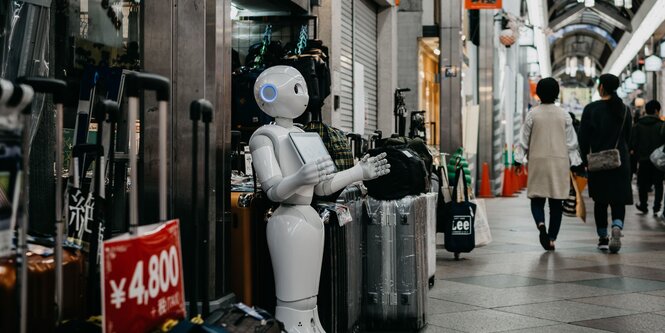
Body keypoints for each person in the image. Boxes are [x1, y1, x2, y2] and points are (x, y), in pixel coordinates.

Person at [517, 77, 582, 251]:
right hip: (559, 163)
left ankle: (540, 225)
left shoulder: (533, 114)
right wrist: (576, 164)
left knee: (537, 199)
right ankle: (552, 239)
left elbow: (523, 140)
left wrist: (518, 159)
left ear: (538, 93)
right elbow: (572, 143)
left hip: (537, 161)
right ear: (556, 93)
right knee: (556, 203)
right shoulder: (564, 115)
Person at [579, 74, 632, 253]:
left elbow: (583, 139)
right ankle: (617, 225)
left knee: (600, 201)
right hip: (620, 161)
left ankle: (602, 237)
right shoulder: (624, 109)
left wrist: (582, 160)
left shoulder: (591, 109)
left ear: (601, 87)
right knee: (618, 200)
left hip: (598, 163)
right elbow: (628, 138)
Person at [630, 100, 664, 216]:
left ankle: (643, 205)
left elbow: (633, 144)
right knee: (658, 184)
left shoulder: (638, 126)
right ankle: (656, 207)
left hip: (643, 160)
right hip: (658, 161)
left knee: (642, 184)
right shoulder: (661, 126)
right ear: (656, 111)